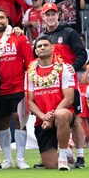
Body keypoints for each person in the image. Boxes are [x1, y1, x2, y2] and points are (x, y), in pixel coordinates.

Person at [0, 9, 33, 170]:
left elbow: (30, 62)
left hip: (17, 86)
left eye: (1, 18)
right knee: (2, 122)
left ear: (7, 20)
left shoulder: (18, 36)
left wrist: (31, 87)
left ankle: (20, 158)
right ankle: (7, 159)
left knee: (19, 120)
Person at [40, 2, 88, 167]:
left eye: (53, 14)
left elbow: (82, 54)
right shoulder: (43, 36)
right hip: (49, 86)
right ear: (43, 17)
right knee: (52, 117)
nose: (51, 17)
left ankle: (80, 156)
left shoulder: (69, 32)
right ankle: (58, 154)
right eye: (47, 14)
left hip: (69, 84)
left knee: (75, 120)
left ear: (58, 16)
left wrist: (72, 69)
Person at [26, 35, 75, 170]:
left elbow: (69, 98)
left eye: (45, 45)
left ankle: (64, 157)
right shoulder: (30, 72)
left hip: (61, 114)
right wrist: (43, 117)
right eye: (39, 46)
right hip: (43, 120)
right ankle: (68, 152)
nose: (42, 48)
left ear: (52, 48)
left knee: (62, 114)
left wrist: (51, 117)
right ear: (35, 51)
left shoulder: (64, 68)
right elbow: (29, 102)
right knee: (51, 165)